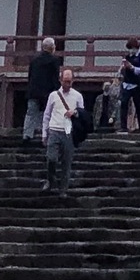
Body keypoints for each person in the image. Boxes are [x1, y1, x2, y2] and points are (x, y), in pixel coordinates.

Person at [39, 63, 87, 196]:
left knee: (66, 162)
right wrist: (44, 132)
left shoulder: (77, 96)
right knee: (51, 158)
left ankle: (63, 190)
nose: (68, 84)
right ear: (61, 81)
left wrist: (75, 113)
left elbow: (82, 114)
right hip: (54, 129)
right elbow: (47, 115)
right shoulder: (53, 95)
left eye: (70, 81)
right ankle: (50, 179)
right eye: (66, 81)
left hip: (69, 132)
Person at [22, 33, 63, 145]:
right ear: (52, 47)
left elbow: (30, 76)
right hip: (48, 91)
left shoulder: (34, 60)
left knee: (31, 113)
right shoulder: (54, 60)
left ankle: (27, 135)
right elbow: (55, 77)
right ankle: (47, 135)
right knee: (49, 113)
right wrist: (59, 90)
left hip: (33, 90)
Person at [117, 38, 140, 134]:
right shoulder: (127, 57)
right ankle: (123, 127)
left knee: (138, 105)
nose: (131, 51)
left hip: (138, 85)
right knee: (124, 103)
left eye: (132, 48)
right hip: (127, 83)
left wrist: (132, 67)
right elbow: (122, 68)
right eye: (129, 49)